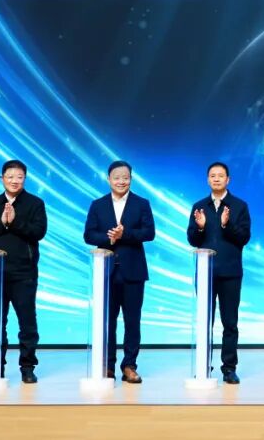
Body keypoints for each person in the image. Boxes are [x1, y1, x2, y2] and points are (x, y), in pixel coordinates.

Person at [0, 159, 48, 384]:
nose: (15, 180)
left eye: (19, 177)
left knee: (27, 323)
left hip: (24, 273)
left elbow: (39, 232)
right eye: (10, 176)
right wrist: (2, 222)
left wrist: (15, 223)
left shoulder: (35, 203)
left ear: (25, 179)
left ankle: (27, 367)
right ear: (2, 178)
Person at [83, 160, 156, 384]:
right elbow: (88, 235)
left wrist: (125, 235)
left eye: (125, 177)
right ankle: (108, 365)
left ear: (131, 179)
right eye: (117, 177)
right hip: (106, 272)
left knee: (132, 321)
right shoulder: (98, 205)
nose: (121, 181)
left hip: (133, 271)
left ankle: (129, 365)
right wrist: (110, 239)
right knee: (108, 321)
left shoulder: (142, 203)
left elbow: (149, 232)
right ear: (109, 179)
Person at [186, 161, 251, 384]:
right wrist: (200, 227)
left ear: (228, 179)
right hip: (205, 273)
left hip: (230, 272)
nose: (216, 178)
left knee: (230, 322)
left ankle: (229, 368)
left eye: (220, 175)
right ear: (208, 180)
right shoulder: (199, 206)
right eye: (212, 175)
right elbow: (192, 239)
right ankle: (203, 365)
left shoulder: (239, 206)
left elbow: (244, 238)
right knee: (205, 321)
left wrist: (226, 225)